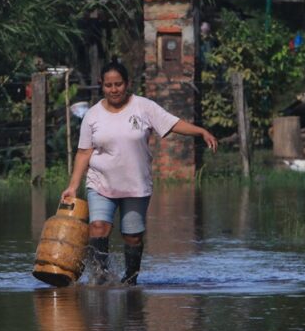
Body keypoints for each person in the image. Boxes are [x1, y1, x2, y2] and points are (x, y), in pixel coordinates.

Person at [60, 60, 218, 285]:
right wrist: (73, 186)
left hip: (135, 185)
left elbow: (172, 123)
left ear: (127, 84)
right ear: (101, 86)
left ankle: (130, 278)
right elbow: (84, 152)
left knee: (132, 236)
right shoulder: (92, 115)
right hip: (100, 182)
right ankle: (100, 277)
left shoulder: (144, 107)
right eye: (108, 85)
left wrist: (201, 132)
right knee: (98, 227)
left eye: (118, 84)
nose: (114, 90)